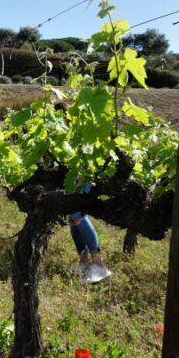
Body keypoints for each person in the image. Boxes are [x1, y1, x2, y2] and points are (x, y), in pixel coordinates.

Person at [53, 101, 111, 284]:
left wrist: (78, 180)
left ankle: (99, 264)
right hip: (72, 180)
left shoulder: (79, 132)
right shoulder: (60, 134)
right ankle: (84, 262)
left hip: (84, 179)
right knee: (72, 220)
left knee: (78, 216)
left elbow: (86, 159)